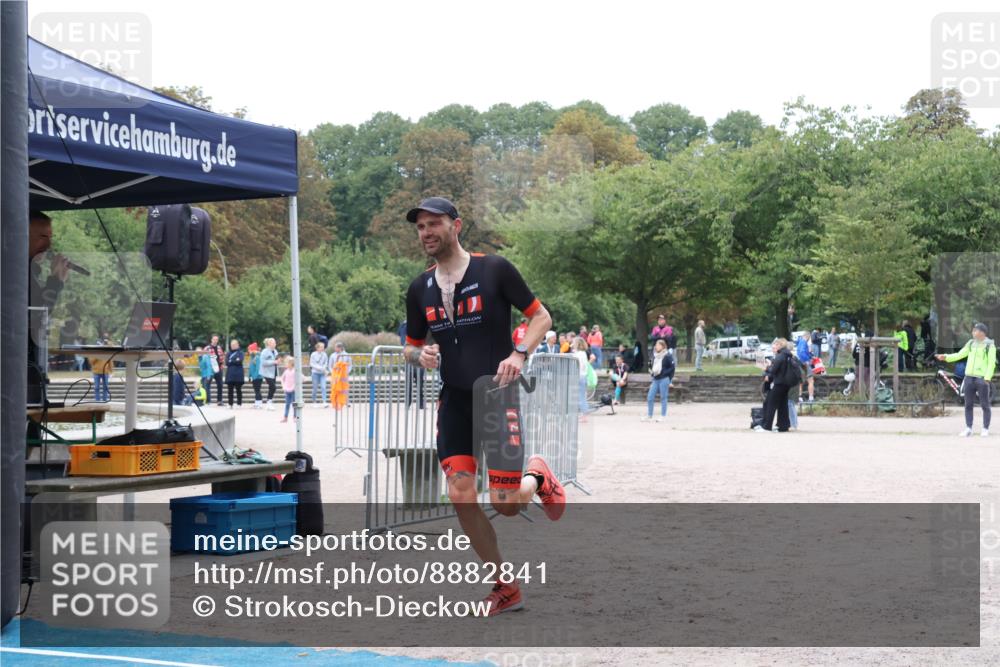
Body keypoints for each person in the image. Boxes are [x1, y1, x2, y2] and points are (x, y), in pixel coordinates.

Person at [402, 195, 562, 617]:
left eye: (433, 223)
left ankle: (537, 477)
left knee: (507, 504)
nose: (426, 233)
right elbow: (410, 347)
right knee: (461, 495)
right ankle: (504, 586)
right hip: (454, 400)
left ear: (456, 225)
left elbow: (541, 317)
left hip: (497, 396)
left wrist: (519, 354)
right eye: (420, 227)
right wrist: (421, 356)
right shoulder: (420, 289)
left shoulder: (494, 269)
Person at [937, 322, 995, 438]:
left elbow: (991, 364)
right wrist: (946, 357)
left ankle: (985, 429)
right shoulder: (971, 343)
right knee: (968, 404)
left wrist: (987, 378)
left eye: (975, 330)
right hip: (968, 378)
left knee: (985, 405)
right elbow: (960, 354)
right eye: (973, 330)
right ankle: (968, 428)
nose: (973, 332)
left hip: (981, 379)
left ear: (982, 332)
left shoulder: (989, 345)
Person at [756, 338, 793, 433]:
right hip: (786, 383)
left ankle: (766, 426)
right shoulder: (787, 355)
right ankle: (783, 426)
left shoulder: (780, 356)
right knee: (782, 405)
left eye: (775, 345)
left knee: (769, 403)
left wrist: (767, 367)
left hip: (779, 383)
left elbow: (774, 370)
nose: (773, 347)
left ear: (780, 346)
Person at [642, 339, 674, 422]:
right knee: (650, 397)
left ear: (663, 346)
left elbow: (672, 368)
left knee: (663, 397)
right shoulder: (655, 355)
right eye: (656, 345)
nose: (656, 346)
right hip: (655, 379)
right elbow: (651, 365)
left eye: (658, 345)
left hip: (664, 379)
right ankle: (649, 416)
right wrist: (652, 372)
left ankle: (663, 416)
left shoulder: (667, 355)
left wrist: (668, 378)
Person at [280, 356, 304, 423]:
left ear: (291, 363)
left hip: (294, 390)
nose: (285, 364)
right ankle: (285, 417)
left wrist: (297, 386)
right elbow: (282, 379)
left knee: (294, 404)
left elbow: (303, 378)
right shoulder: (286, 371)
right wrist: (283, 386)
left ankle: (295, 417)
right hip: (287, 390)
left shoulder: (295, 371)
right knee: (287, 404)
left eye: (286, 363)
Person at [329, 341, 352, 410]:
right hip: (335, 376)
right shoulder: (332, 355)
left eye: (336, 347)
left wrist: (347, 372)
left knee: (344, 388)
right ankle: (336, 402)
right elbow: (330, 365)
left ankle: (346, 401)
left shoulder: (346, 355)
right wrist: (332, 372)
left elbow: (350, 364)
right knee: (335, 388)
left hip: (344, 376)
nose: (335, 349)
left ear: (340, 348)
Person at [571, 337, 591, 417]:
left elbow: (578, 365)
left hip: (579, 376)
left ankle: (584, 414)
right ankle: (584, 413)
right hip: (583, 376)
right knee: (582, 395)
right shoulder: (583, 353)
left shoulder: (579, 354)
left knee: (581, 396)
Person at [204, 334, 226, 406]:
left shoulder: (219, 348)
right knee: (207, 385)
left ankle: (219, 401)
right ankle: (208, 401)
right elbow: (204, 358)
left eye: (217, 339)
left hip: (219, 369)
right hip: (211, 369)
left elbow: (222, 357)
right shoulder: (207, 348)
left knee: (220, 385)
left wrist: (222, 365)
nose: (215, 341)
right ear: (211, 340)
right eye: (214, 339)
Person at [259, 337, 279, 410]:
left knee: (272, 388)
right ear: (269, 344)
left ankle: (269, 402)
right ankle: (269, 402)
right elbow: (263, 362)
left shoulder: (275, 351)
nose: (275, 344)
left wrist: (278, 361)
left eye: (275, 342)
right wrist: (274, 362)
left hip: (274, 372)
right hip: (266, 373)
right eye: (273, 343)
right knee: (273, 387)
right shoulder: (265, 351)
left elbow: (276, 359)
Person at [225, 339, 245, 408]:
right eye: (232, 345)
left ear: (237, 345)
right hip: (230, 374)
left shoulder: (241, 352)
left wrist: (232, 361)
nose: (233, 346)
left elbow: (240, 361)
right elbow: (227, 363)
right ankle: (230, 404)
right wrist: (235, 360)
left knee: (238, 390)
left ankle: (239, 403)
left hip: (238, 374)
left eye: (234, 345)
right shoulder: (228, 353)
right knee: (230, 390)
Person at [795, 333, 815, 403]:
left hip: (798, 363)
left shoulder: (799, 342)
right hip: (804, 363)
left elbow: (801, 352)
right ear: (807, 337)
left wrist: (810, 355)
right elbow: (802, 352)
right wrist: (806, 360)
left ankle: (800, 398)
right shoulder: (804, 342)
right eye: (809, 338)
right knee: (810, 380)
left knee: (800, 381)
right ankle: (811, 398)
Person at [309, 341, 330, 406]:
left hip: (322, 373)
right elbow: (312, 364)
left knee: (323, 387)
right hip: (315, 373)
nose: (323, 348)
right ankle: (314, 401)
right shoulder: (313, 354)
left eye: (323, 347)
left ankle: (324, 401)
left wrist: (323, 368)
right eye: (321, 347)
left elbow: (326, 363)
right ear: (317, 348)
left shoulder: (325, 354)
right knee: (315, 388)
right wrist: (321, 368)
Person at [247, 342, 263, 409]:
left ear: (253, 350)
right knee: (256, 390)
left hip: (257, 377)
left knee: (257, 390)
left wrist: (255, 377)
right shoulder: (252, 357)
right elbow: (250, 368)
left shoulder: (257, 357)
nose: (248, 351)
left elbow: (258, 368)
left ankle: (259, 403)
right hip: (254, 377)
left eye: (249, 350)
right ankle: (256, 403)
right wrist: (249, 376)